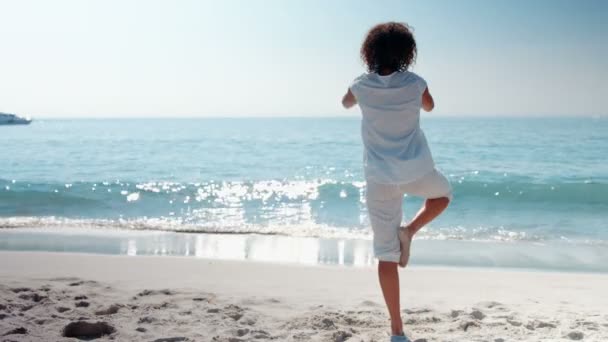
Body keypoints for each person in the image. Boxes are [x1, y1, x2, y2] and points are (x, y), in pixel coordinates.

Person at [341, 22, 452, 341]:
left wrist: (364, 95)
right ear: (407, 53)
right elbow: (430, 106)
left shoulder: (361, 85)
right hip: (417, 171)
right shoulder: (416, 83)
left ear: (369, 52)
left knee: (386, 255)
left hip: (379, 178)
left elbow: (346, 102)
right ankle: (411, 230)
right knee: (442, 197)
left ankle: (397, 330)